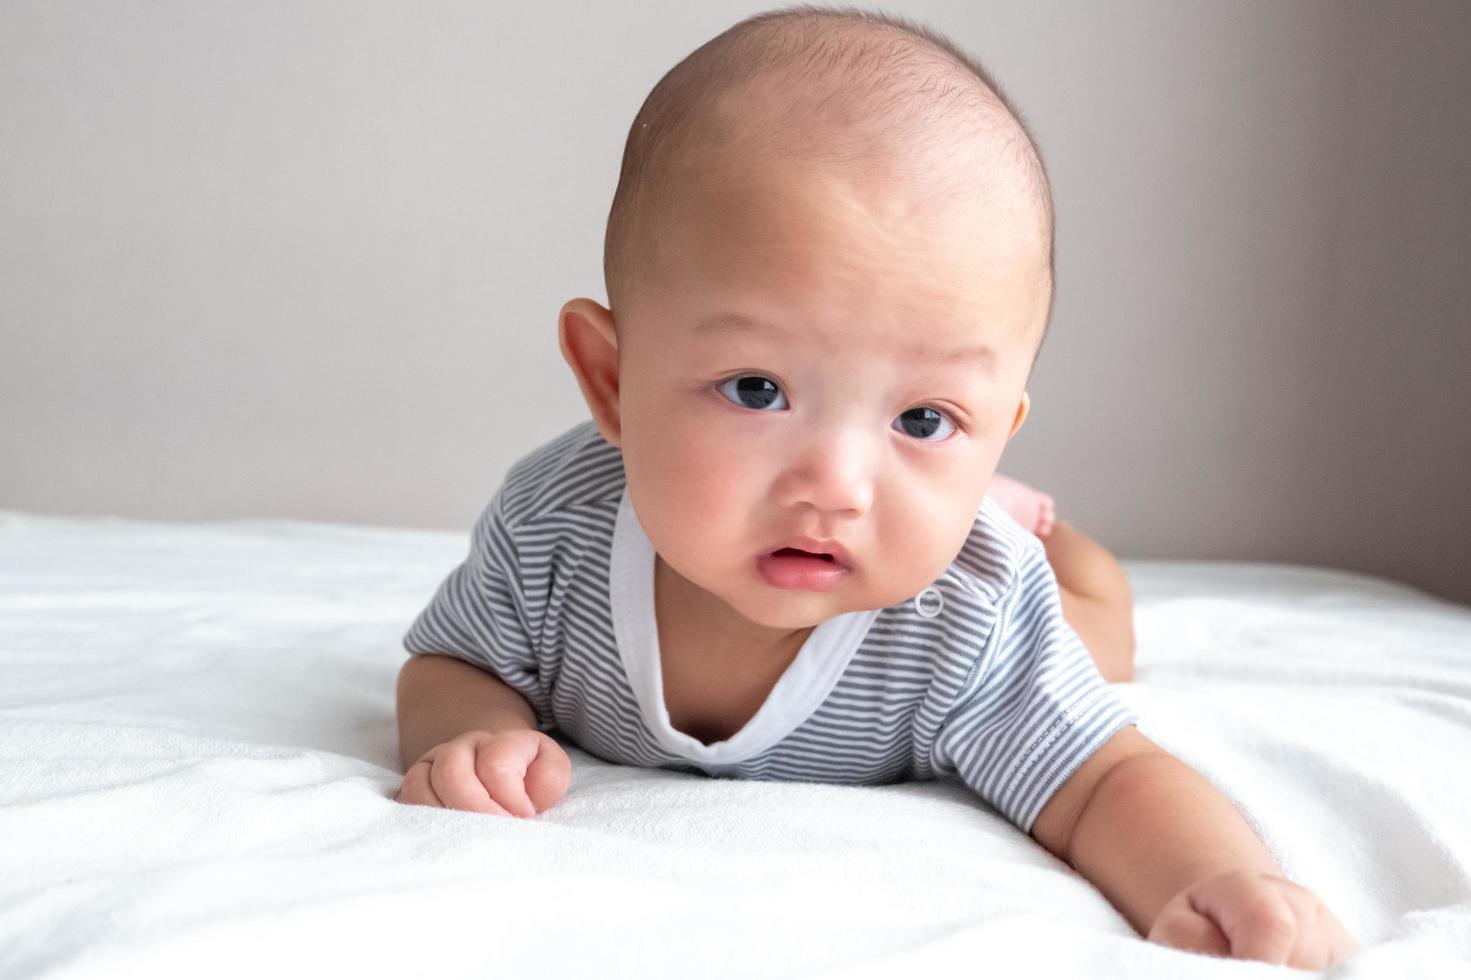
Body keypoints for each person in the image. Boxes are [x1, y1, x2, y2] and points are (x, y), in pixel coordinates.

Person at [393, 5, 1355, 969]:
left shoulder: (972, 615)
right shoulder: (553, 527)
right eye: (756, 390)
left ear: (995, 433)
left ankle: (1059, 544)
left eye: (924, 420)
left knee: (1096, 640)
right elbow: (453, 665)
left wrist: (1212, 879)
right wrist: (474, 733)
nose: (836, 485)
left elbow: (1103, 779)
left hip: (992, 575)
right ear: (610, 381)